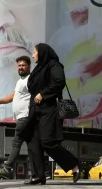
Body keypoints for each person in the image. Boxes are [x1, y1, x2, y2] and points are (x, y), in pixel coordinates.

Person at [23, 43, 80, 185]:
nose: (32, 55)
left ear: (42, 53)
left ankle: (74, 164)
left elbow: (59, 82)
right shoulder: (38, 69)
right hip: (34, 110)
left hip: (48, 110)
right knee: (32, 141)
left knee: (48, 142)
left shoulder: (54, 65)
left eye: (35, 52)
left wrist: (43, 94)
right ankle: (38, 175)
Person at [0, 55, 32, 179]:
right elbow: (12, 96)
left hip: (26, 116)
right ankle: (37, 172)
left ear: (29, 66)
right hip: (22, 117)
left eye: (23, 65)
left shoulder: (31, 79)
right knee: (33, 145)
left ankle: (7, 168)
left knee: (16, 142)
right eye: (19, 65)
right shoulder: (20, 81)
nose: (21, 67)